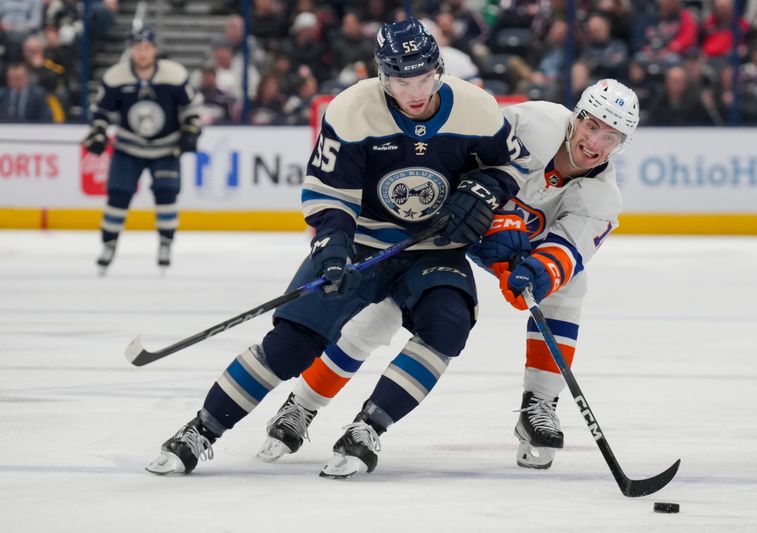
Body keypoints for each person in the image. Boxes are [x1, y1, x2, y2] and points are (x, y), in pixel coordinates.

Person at [145, 17, 529, 477]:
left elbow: (512, 166)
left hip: (434, 246)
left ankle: (369, 427)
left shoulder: (477, 108)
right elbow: (329, 195)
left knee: (448, 325)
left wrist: (483, 191)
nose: (414, 91)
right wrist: (332, 250)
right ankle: (201, 429)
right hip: (363, 241)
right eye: (401, 80)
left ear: (438, 69)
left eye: (423, 77)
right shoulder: (351, 110)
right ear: (383, 75)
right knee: (291, 344)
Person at [259, 78, 639, 473]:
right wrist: (493, 218)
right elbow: (467, 155)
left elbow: (566, 253)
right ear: (576, 117)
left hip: (515, 252)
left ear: (622, 145)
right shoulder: (534, 122)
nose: (595, 142)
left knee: (570, 287)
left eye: (611, 136)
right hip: (446, 228)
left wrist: (536, 275)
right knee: (375, 322)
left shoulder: (604, 200)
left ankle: (539, 405)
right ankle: (302, 404)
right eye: (592, 126)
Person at [83, 26, 202, 274]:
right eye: (138, 48)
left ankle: (166, 243)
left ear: (155, 50)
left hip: (166, 148)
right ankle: (109, 244)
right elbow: (101, 113)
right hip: (128, 147)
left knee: (166, 193)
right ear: (131, 50)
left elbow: (191, 109)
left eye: (147, 47)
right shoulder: (116, 76)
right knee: (118, 196)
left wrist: (190, 129)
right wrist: (97, 132)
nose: (142, 53)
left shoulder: (174, 75)